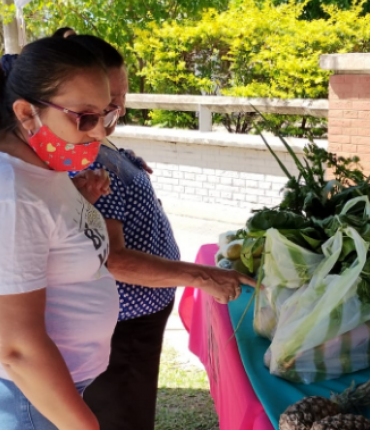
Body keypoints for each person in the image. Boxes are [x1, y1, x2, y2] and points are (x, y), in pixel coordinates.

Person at [0, 37, 120, 430]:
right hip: (7, 397)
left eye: (107, 114)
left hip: (28, 392)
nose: (99, 132)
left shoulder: (39, 162)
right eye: (85, 117)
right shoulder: (5, 192)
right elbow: (16, 347)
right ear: (27, 113)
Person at [61, 32, 256, 430]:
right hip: (123, 326)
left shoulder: (98, 146)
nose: (114, 117)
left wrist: (128, 164)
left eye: (120, 102)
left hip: (138, 318)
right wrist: (202, 277)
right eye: (106, 107)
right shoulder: (86, 164)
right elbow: (113, 259)